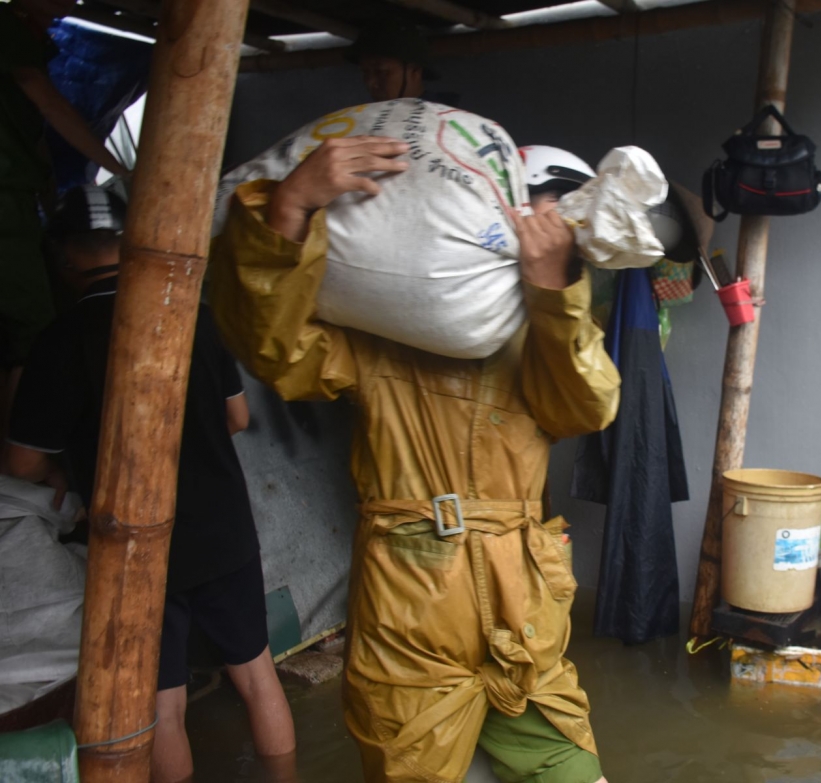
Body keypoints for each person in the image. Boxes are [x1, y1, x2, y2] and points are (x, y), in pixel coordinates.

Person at [209, 135, 619, 783]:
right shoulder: (384, 331)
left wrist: (552, 292)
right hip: (409, 612)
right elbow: (276, 350)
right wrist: (289, 208)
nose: (543, 232)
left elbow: (588, 406)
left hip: (524, 617)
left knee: (575, 771)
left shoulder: (548, 328)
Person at [1, 185, 295, 783]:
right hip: (224, 529)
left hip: (136, 548)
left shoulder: (58, 342)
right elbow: (237, 418)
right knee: (257, 674)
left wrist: (65, 466)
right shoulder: (193, 315)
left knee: (163, 705)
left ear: (64, 260)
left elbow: (23, 464)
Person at [1, 0, 129, 439]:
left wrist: (50, 190)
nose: (68, 5)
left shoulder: (33, 40)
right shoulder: (9, 31)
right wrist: (120, 168)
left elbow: (34, 126)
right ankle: (22, 460)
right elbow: (47, 102)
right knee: (33, 331)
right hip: (7, 194)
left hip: (19, 191)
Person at [345, 21, 435, 102]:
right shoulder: (362, 117)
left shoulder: (446, 115)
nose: (370, 83)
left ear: (415, 71)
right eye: (365, 72)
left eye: (381, 72)